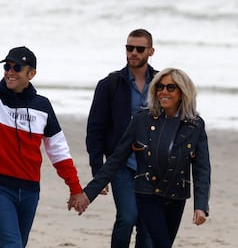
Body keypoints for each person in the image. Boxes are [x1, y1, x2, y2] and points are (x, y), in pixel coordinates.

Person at [0, 16, 87, 247]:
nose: (10, 71)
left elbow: (59, 151)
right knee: (12, 245)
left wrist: (75, 189)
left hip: (29, 191)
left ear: (31, 74)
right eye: (7, 66)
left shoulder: (43, 106)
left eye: (17, 67)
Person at [70, 68, 211, 248]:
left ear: (183, 92)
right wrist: (89, 193)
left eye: (170, 87)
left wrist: (200, 206)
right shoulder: (142, 120)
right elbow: (116, 159)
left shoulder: (195, 125)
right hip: (147, 191)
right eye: (160, 87)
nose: (164, 92)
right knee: (160, 243)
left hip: (176, 195)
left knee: (161, 243)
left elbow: (202, 169)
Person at [85, 29, 157, 247]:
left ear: (150, 51)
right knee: (127, 216)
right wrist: (98, 169)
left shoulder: (162, 84)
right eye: (129, 48)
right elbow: (95, 130)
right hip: (121, 164)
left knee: (147, 224)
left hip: (153, 165)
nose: (133, 53)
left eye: (139, 49)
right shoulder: (110, 84)